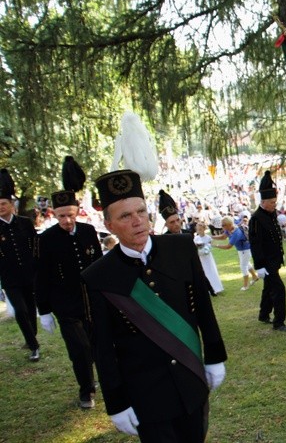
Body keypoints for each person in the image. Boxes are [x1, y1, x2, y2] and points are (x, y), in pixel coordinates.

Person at [82, 169, 227, 441]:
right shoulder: (98, 276)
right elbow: (103, 346)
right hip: (145, 394)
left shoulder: (181, 248)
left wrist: (215, 355)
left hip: (190, 378)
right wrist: (116, 402)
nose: (138, 221)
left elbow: (204, 309)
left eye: (141, 211)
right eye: (125, 216)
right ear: (109, 225)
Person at [35, 188, 102, 409]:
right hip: (65, 304)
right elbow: (41, 275)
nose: (67, 220)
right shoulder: (46, 239)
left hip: (92, 301)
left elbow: (100, 264)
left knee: (97, 346)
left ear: (77, 212)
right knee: (79, 349)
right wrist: (43, 310)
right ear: (54, 214)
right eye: (62, 216)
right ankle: (86, 390)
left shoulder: (88, 231)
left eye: (71, 215)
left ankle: (102, 379)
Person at [0, 168, 40, 361]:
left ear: (11, 204)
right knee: (21, 310)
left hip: (29, 274)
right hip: (9, 277)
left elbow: (35, 245)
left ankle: (31, 335)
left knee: (31, 309)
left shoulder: (25, 223)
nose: (1, 207)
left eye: (3, 203)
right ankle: (34, 346)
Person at [249, 170, 286, 332]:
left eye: (275, 202)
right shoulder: (256, 219)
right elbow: (255, 244)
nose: (275, 205)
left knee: (268, 288)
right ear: (264, 202)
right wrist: (259, 265)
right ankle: (279, 322)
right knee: (278, 290)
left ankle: (263, 314)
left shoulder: (271, 214)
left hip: (275, 260)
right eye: (272, 202)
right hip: (266, 263)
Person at [214, 216, 259, 291]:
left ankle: (245, 285)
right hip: (241, 250)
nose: (221, 227)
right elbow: (223, 237)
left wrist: (216, 245)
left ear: (229, 225)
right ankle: (255, 277)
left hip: (246, 250)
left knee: (243, 266)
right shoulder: (229, 229)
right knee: (246, 263)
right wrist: (212, 237)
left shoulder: (236, 232)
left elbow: (228, 246)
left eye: (223, 225)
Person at [194, 222, 224, 294]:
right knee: (204, 272)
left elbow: (210, 246)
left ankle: (216, 288)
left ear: (204, 229)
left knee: (211, 270)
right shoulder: (196, 238)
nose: (199, 231)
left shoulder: (208, 237)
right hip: (201, 257)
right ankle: (207, 289)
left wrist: (205, 249)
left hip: (207, 257)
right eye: (198, 229)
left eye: (200, 229)